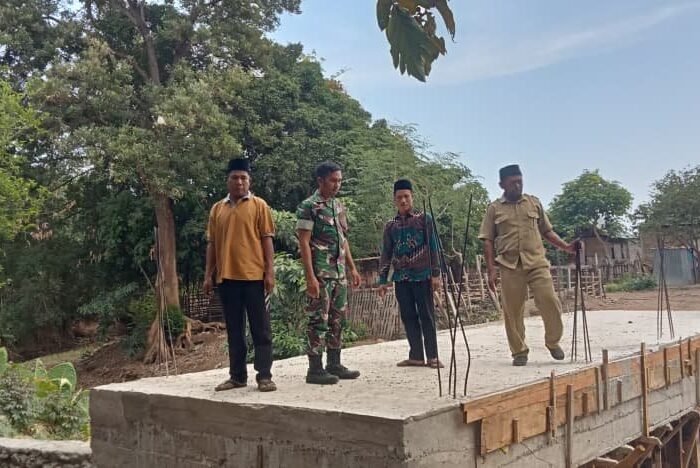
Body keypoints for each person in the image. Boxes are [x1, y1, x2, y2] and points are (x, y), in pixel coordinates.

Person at [478, 164, 577, 366]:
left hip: (536, 262)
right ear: (502, 185)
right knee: (512, 311)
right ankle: (519, 351)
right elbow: (487, 240)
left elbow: (547, 231)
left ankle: (553, 341)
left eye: (520, 181)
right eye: (513, 182)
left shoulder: (534, 203)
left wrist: (566, 247)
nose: (518, 185)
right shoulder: (494, 209)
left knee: (550, 301)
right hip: (509, 265)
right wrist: (491, 270)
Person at [204, 158, 277, 392]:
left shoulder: (259, 205)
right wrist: (208, 275)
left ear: (249, 181)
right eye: (234, 178)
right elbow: (212, 244)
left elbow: (267, 240)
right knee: (234, 331)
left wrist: (270, 272)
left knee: (261, 330)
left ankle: (264, 376)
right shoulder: (217, 209)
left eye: (243, 178)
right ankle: (237, 377)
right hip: (227, 279)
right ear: (227, 181)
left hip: (255, 278)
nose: (239, 182)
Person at [296, 161, 362, 385]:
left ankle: (335, 364)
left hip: (339, 274)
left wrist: (352, 268)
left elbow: (343, 240)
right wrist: (310, 277)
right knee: (318, 321)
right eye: (333, 180)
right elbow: (304, 243)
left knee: (337, 320)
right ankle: (315, 369)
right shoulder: (309, 206)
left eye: (340, 180)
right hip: (321, 274)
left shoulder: (338, 206)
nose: (337, 185)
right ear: (320, 181)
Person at [377, 179, 443, 369]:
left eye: (406, 196)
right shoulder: (391, 226)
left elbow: (433, 246)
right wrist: (383, 280)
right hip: (401, 278)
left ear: (412, 197)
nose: (403, 200)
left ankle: (433, 356)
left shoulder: (424, 219)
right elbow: (386, 253)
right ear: (394, 200)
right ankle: (416, 356)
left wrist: (436, 274)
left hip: (422, 275)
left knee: (427, 316)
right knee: (408, 316)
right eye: (399, 197)